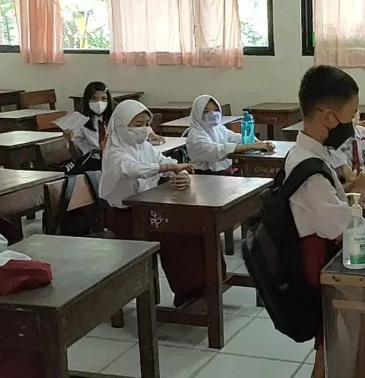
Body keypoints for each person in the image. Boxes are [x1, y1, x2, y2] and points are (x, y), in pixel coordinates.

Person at [287, 66, 365, 378]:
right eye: (351, 116)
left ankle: (322, 368)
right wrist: (362, 193)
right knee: (335, 338)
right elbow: (337, 226)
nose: (354, 125)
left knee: (326, 347)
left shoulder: (313, 152)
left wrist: (351, 189)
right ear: (328, 116)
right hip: (320, 263)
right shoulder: (309, 166)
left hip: (322, 252)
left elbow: (329, 201)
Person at [98, 100, 220, 307]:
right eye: (137, 124)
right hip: (126, 217)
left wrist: (181, 173)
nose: (143, 129)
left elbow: (164, 160)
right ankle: (187, 292)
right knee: (175, 236)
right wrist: (167, 169)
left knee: (195, 227)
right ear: (120, 124)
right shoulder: (114, 152)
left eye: (146, 124)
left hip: (148, 208)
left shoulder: (144, 146)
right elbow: (132, 169)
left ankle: (206, 285)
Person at [63, 82, 164, 171]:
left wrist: (150, 133)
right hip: (96, 161)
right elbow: (77, 155)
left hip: (121, 158)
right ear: (86, 100)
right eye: (94, 99)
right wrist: (70, 140)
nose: (99, 103)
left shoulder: (116, 116)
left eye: (103, 99)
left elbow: (135, 125)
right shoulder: (80, 121)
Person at [186, 95, 274, 174]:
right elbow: (218, 150)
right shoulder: (195, 136)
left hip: (222, 174)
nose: (213, 114)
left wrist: (261, 143)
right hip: (203, 175)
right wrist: (251, 146)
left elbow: (235, 137)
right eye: (206, 112)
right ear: (197, 115)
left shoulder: (218, 128)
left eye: (216, 110)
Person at [331, 109, 365, 218]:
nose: (354, 119)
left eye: (356, 114)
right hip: (344, 183)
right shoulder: (334, 140)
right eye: (351, 116)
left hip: (360, 177)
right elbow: (349, 177)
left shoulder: (361, 131)